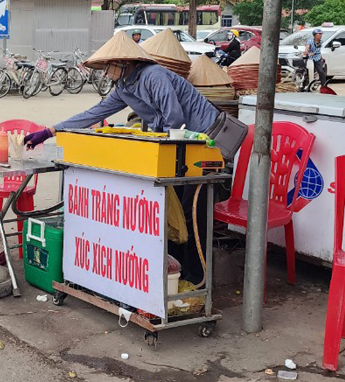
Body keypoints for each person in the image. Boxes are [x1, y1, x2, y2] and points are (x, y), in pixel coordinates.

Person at [23, 31, 248, 283]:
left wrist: (152, 137)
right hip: (179, 147)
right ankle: (174, 272)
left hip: (205, 144)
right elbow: (94, 113)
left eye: (109, 66)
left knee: (192, 212)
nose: (106, 72)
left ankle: (198, 278)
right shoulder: (124, 88)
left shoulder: (154, 76)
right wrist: (49, 131)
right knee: (171, 212)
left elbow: (174, 119)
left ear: (124, 62)